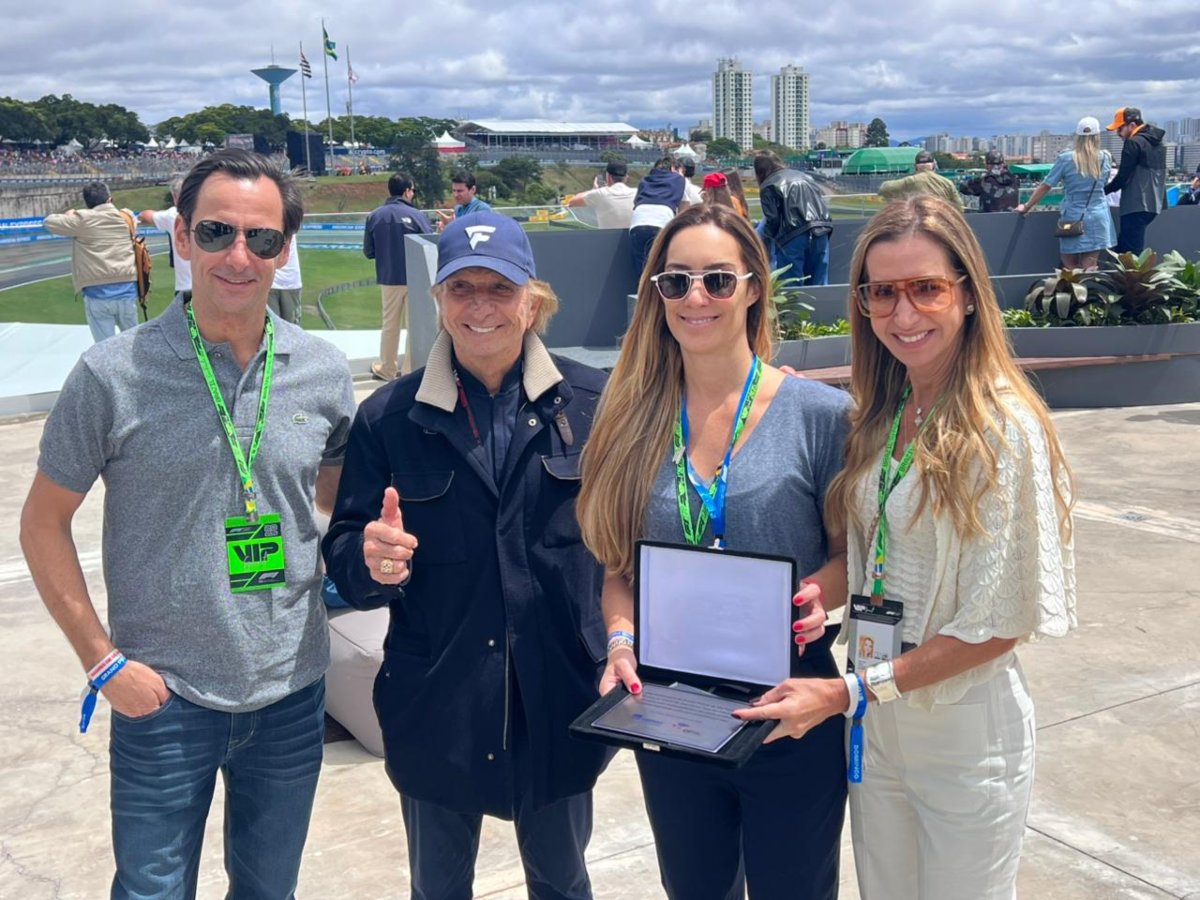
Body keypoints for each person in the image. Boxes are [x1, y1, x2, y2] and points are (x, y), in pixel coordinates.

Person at [19, 148, 356, 898]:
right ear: (180, 237)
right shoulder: (111, 374)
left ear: (285, 249)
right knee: (151, 892)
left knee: (270, 890)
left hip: (291, 692)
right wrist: (103, 662)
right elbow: (43, 525)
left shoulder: (324, 372)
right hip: (162, 698)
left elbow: (334, 502)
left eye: (262, 239)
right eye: (217, 233)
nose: (240, 256)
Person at [735, 195, 1076, 900]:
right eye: (882, 293)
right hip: (880, 724)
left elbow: (997, 626)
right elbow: (876, 555)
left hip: (960, 731)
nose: (903, 314)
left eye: (926, 288)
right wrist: (813, 597)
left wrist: (846, 692)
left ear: (969, 296)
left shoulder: (1001, 429)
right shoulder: (888, 415)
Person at [323, 211, 612, 900]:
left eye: (499, 289)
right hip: (438, 705)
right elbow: (344, 552)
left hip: (557, 699)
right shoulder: (388, 418)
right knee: (439, 887)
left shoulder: (596, 405)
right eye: (461, 289)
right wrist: (372, 560)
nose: (480, 307)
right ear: (438, 300)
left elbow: (632, 540)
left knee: (563, 881)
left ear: (533, 299)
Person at [577, 203, 851, 900]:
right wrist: (619, 639)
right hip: (673, 709)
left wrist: (822, 593)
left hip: (791, 704)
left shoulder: (818, 416)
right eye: (677, 282)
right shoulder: (631, 414)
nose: (696, 298)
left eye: (717, 280)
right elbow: (619, 570)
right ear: (657, 294)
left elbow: (851, 558)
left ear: (755, 287)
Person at [42, 181, 139, 342]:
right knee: (131, 346)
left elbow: (49, 222)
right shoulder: (127, 217)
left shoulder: (82, 220)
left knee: (103, 349)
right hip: (127, 291)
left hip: (97, 294)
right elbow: (134, 222)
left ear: (88, 203)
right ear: (110, 199)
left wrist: (70, 214)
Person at [1017, 116, 1115, 270]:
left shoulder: (1066, 158)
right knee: (1090, 266)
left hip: (1072, 216)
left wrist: (1027, 206)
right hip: (1098, 216)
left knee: (1069, 266)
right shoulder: (1105, 158)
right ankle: (1088, 292)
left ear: (1078, 136)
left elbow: (1046, 185)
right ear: (1097, 136)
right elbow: (1103, 184)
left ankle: (1073, 293)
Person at [363, 172, 433, 380]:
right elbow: (428, 245)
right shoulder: (418, 216)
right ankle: (409, 370)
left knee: (390, 324)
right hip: (415, 278)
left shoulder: (375, 216)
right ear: (407, 191)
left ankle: (387, 368)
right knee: (414, 326)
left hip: (389, 277)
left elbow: (369, 252)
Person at [755, 150, 835, 285]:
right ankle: (823, 306)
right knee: (819, 279)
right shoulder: (805, 177)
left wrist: (762, 244)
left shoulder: (768, 185)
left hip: (792, 234)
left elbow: (772, 221)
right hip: (821, 230)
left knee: (791, 282)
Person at [1103, 106, 1167, 253]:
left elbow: (1123, 177)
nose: (1119, 134)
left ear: (1132, 125)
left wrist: (1103, 191)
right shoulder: (1157, 142)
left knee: (1129, 253)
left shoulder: (1133, 143)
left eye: (1120, 129)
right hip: (1154, 205)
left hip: (1135, 205)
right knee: (1129, 248)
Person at [629, 156, 687, 274]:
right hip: (661, 222)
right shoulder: (678, 179)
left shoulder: (645, 180)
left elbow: (636, 202)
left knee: (642, 268)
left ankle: (642, 290)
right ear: (673, 168)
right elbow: (685, 206)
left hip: (638, 222)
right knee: (660, 266)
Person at [138, 175, 191, 301]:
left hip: (186, 289)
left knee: (187, 320)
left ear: (175, 197)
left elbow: (146, 216)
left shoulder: (172, 216)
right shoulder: (210, 212)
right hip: (211, 290)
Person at [879, 150, 965, 210]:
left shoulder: (911, 181)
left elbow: (884, 188)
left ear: (915, 166)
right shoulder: (947, 183)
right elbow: (959, 207)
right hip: (941, 223)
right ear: (934, 165)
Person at [564, 159, 636, 228]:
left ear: (608, 177)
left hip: (606, 240)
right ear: (626, 177)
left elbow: (572, 202)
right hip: (632, 240)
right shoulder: (637, 193)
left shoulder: (601, 194)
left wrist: (593, 190)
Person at [267, 234, 303, 323]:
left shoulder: (290, 225)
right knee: (271, 327)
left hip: (290, 283)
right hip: (271, 283)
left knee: (292, 328)